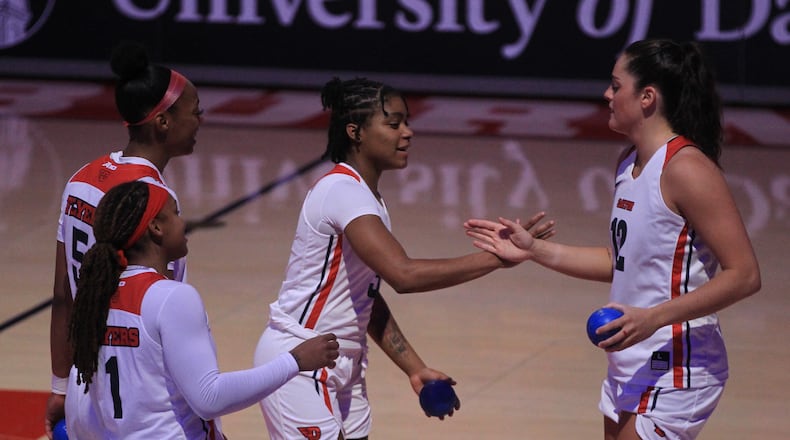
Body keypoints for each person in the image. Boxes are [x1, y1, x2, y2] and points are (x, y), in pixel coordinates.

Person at [465, 39, 761, 440]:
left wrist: (652, 317)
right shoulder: (629, 162)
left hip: (677, 365)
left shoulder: (687, 168)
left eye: (616, 85)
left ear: (647, 97)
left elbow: (744, 274)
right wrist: (534, 250)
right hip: (629, 360)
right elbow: (619, 261)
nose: (606, 94)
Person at [253, 77, 555, 440]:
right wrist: (497, 259)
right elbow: (404, 275)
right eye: (394, 124)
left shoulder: (368, 198)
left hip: (343, 363)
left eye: (407, 122)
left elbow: (364, 299)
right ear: (356, 132)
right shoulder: (342, 191)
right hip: (301, 358)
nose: (408, 132)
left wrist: (414, 367)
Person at [64, 181, 340, 439]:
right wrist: (295, 361)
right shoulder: (170, 297)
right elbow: (210, 398)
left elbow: (82, 407)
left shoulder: (95, 296)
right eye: (175, 213)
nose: (184, 222)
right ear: (156, 227)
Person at [45, 40, 202, 438]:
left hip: (84, 386)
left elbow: (65, 295)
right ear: (163, 122)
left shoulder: (80, 177)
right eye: (194, 112)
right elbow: (161, 313)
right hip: (134, 393)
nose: (201, 120)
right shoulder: (152, 202)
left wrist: (60, 385)